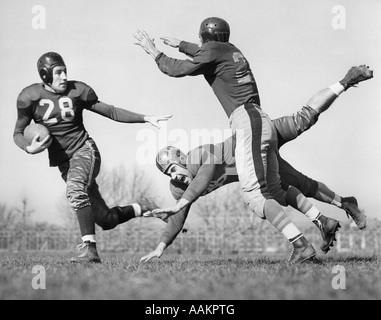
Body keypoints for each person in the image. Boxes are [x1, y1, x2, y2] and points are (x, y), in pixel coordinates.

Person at [134, 18, 372, 264]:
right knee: (285, 184)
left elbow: (179, 69)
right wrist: (161, 246)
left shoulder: (195, 159)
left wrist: (155, 53)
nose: (174, 176)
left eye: (172, 168)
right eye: (168, 174)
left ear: (181, 157)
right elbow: (179, 215)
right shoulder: (229, 50)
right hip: (258, 125)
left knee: (256, 198)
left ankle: (301, 245)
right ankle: (326, 217)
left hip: (248, 128)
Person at [13, 52, 171, 263]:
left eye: (65, 71)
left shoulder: (77, 91)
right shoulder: (29, 98)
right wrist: (28, 147)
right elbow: (18, 133)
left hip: (85, 151)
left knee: (75, 188)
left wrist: (145, 118)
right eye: (58, 72)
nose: (64, 77)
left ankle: (90, 250)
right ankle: (143, 207)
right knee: (106, 220)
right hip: (65, 163)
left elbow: (111, 111)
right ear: (45, 75)